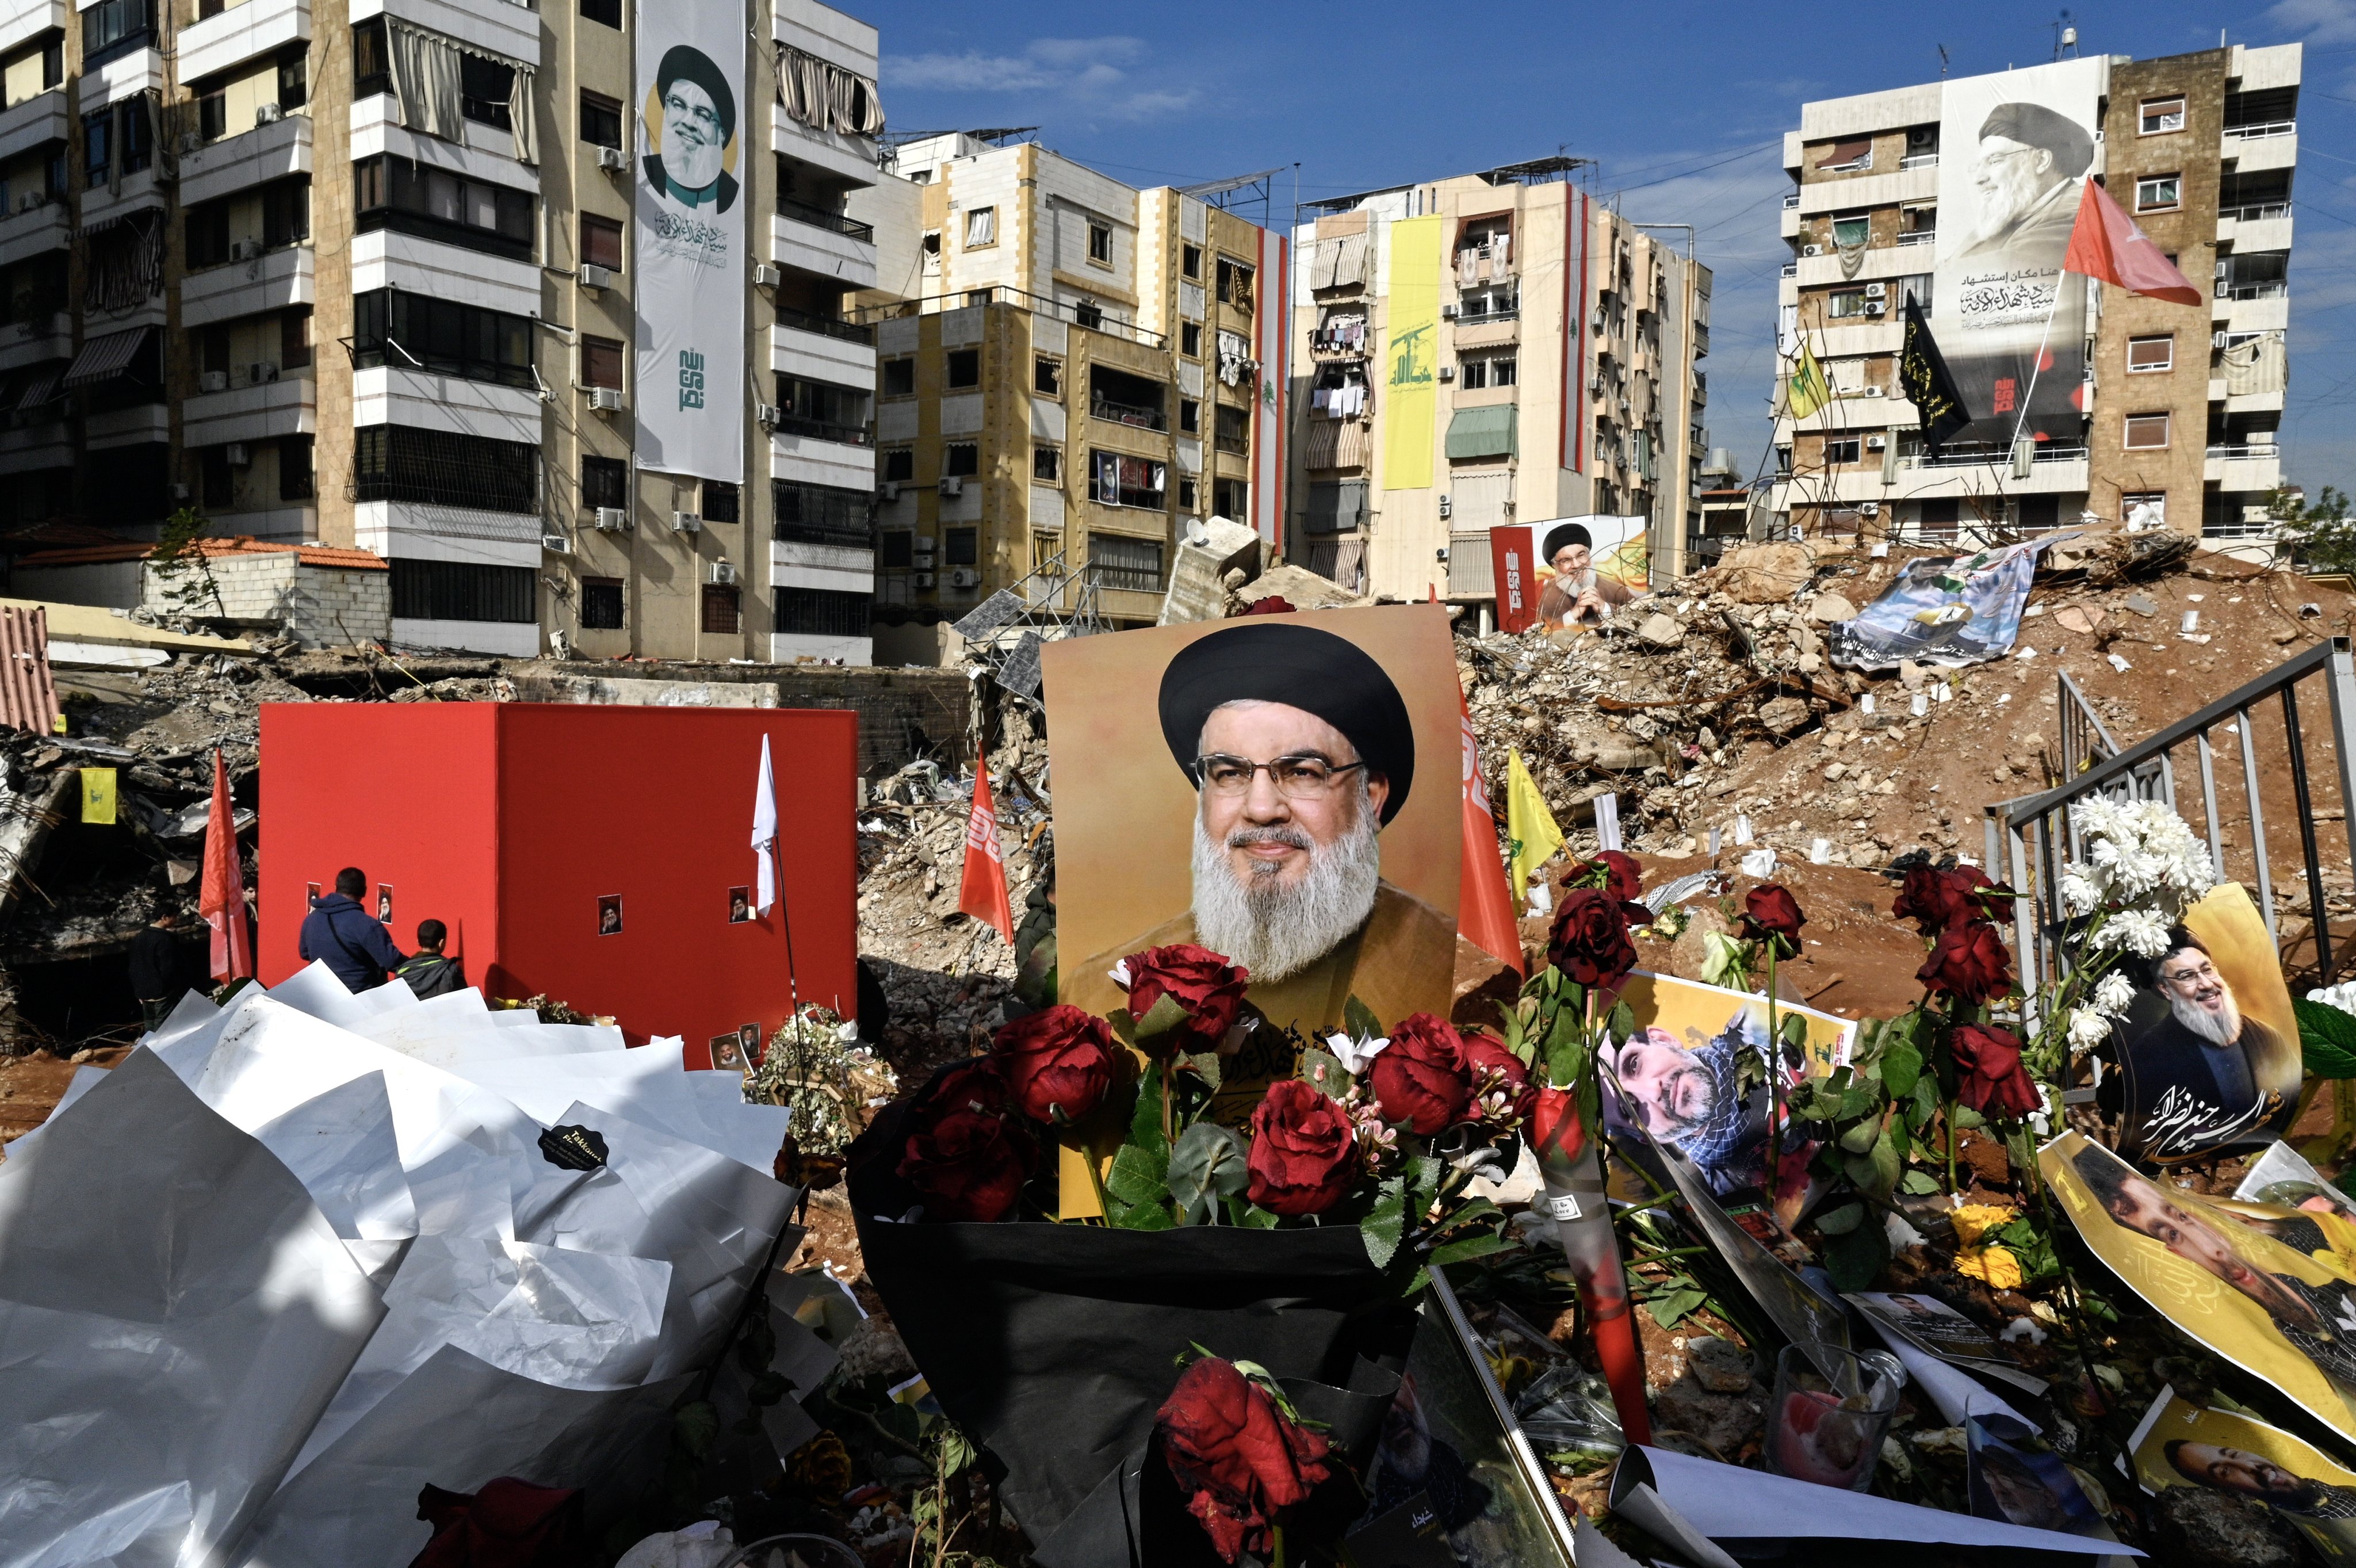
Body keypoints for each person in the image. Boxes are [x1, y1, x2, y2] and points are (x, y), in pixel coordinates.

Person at [1066, 620, 1455, 1049]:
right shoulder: (1095, 998)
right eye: (1230, 773)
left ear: (1372, 798)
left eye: (1304, 772)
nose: (1262, 809)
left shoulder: (1450, 971)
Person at [2071, 1147, 2356, 1388]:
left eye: (2181, 1218)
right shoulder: (2248, 1352)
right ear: (2173, 1254)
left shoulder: (2326, 1276)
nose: (2213, 1250)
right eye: (2172, 1234)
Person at [2114, 930, 2284, 1161]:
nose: (2206, 984)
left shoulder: (2266, 1037)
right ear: (2166, 990)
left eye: (2207, 970)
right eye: (2187, 976)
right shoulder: (2150, 1054)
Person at [1604, 1019, 1761, 1192]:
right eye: (1629, 1107)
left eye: (1634, 1065)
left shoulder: (1757, 1022)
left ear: (1664, 1039)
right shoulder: (1728, 1197)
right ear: (1652, 1139)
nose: (1653, 1091)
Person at [1953, 102, 2094, 267]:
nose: (1979, 178)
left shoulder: (2073, 212)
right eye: (1979, 166)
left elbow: (1995, 272)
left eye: (1995, 161)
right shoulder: (2006, 217)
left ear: (2041, 161)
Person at [643, 47, 737, 215]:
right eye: (678, 105)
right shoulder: (648, 173)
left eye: (703, 114)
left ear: (721, 135)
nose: (689, 122)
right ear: (666, 108)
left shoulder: (729, 195)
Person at [2166, 1440, 2356, 1523]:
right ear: (2232, 1494)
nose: (2251, 1466)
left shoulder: (2324, 1487)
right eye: (2225, 1471)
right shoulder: (2300, 1533)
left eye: (2233, 1454)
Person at [299, 867, 406, 995]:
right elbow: (392, 962)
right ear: (364, 891)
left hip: (321, 997)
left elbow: (304, 953)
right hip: (360, 999)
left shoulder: (312, 919)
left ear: (336, 887)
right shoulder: (368, 925)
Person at [1533, 523, 1639, 629]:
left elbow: (1640, 619)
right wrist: (1572, 615)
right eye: (1566, 560)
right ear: (1554, 565)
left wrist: (1605, 608)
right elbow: (1536, 634)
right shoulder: (1543, 597)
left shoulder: (1617, 591)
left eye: (1581, 555)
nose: (1577, 565)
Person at [128, 909, 192, 1032]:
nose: (176, 920)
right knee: (163, 1027)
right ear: (164, 917)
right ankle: (158, 1049)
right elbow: (169, 969)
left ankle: (147, 1047)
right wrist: (172, 989)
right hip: (163, 992)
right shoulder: (165, 940)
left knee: (149, 1025)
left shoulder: (139, 937)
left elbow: (134, 966)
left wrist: (138, 990)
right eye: (174, 916)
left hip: (144, 991)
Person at [393, 919, 466, 999]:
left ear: (418, 942)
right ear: (441, 943)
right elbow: (464, 1002)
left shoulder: (402, 971)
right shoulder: (451, 970)